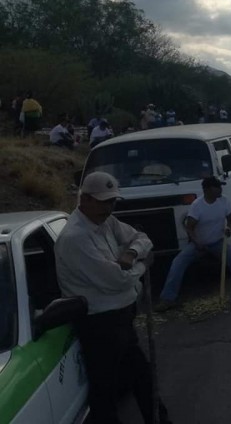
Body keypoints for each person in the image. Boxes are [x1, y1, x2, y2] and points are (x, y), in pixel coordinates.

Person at [54, 172, 171, 424]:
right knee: (106, 387)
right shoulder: (75, 238)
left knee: (139, 375)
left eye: (112, 202)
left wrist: (131, 253)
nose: (109, 207)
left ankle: (160, 420)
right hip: (99, 323)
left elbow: (143, 239)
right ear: (84, 199)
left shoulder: (106, 222)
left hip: (121, 317)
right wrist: (143, 266)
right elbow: (117, 279)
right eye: (104, 201)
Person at [157, 176, 231, 310]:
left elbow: (230, 219)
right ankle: (168, 299)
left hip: (218, 242)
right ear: (208, 190)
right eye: (218, 187)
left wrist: (229, 228)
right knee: (178, 262)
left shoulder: (224, 201)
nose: (221, 190)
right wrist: (196, 242)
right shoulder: (198, 206)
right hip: (199, 244)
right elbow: (189, 227)